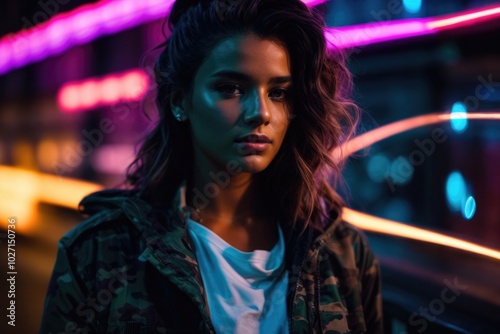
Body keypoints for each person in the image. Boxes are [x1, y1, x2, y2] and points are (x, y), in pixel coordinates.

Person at [40, 0, 383, 333]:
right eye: (231, 88)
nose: (260, 113)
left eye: (278, 93)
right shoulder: (99, 253)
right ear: (180, 102)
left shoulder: (345, 254)